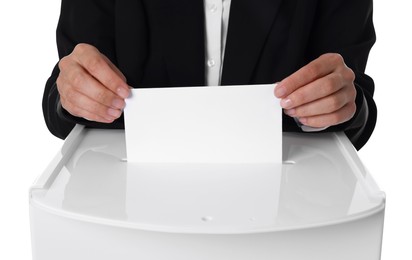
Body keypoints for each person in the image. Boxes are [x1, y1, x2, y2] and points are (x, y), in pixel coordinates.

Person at [43, 0, 376, 150]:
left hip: (286, 214)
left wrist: (345, 104)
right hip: (130, 210)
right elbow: (63, 95)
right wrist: (71, 96)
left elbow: (354, 100)